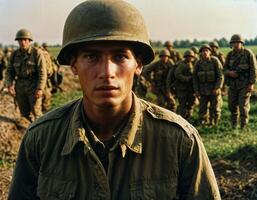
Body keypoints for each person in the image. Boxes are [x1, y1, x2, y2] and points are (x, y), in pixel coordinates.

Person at [8, 1, 221, 199]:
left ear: (138, 65)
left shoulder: (179, 141)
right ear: (73, 65)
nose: (107, 72)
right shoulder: (41, 140)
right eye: (92, 57)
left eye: (120, 57)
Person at [5, 29, 47, 125]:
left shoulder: (36, 53)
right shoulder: (14, 54)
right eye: (20, 40)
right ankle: (28, 134)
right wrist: (9, 85)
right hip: (20, 87)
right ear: (18, 41)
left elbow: (42, 72)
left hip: (33, 86)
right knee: (24, 114)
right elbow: (9, 71)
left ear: (29, 41)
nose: (23, 42)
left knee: (37, 113)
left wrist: (40, 88)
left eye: (25, 40)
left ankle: (40, 135)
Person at [224, 34, 257, 128]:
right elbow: (224, 68)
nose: (235, 44)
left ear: (241, 43)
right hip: (233, 85)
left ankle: (243, 125)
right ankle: (234, 124)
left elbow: (253, 69)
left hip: (245, 84)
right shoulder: (230, 55)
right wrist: (229, 73)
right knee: (232, 105)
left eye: (237, 42)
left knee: (243, 106)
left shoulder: (248, 53)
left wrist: (251, 84)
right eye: (233, 43)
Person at [193, 44, 224, 126]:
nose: (205, 52)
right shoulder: (198, 63)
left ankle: (214, 122)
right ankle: (203, 122)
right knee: (202, 108)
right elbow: (195, 78)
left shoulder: (215, 61)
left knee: (215, 107)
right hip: (203, 90)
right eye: (203, 51)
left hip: (214, 89)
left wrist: (217, 88)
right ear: (200, 53)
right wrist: (196, 90)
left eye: (207, 51)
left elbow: (220, 75)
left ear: (210, 52)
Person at [174, 50, 196, 120]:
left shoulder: (194, 64)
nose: (189, 58)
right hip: (182, 88)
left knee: (191, 103)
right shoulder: (181, 65)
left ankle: (189, 117)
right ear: (185, 57)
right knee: (182, 104)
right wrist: (186, 78)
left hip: (190, 88)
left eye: (191, 57)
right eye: (188, 57)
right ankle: (180, 118)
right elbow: (177, 74)